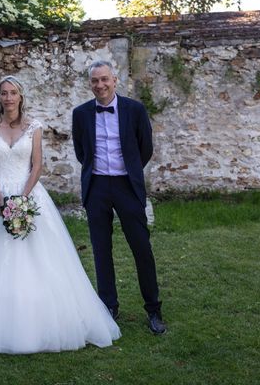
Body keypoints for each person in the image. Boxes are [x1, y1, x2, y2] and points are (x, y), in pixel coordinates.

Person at [0, 76, 120, 353]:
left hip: (30, 194)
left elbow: (37, 165)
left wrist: (23, 200)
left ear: (20, 96)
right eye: (3, 93)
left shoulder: (34, 127)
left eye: (13, 92)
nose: (8, 98)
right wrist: (2, 201)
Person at [72, 60, 166, 334]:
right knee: (101, 250)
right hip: (97, 187)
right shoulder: (80, 113)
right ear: (90, 84)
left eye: (104, 79)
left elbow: (144, 148)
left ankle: (153, 310)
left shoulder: (134, 110)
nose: (100, 85)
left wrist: (131, 171)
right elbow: (81, 152)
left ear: (114, 80)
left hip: (127, 186)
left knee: (141, 248)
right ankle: (108, 307)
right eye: (94, 81)